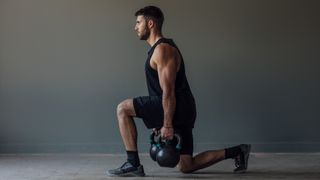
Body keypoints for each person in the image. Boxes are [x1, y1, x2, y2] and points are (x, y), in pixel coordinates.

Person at [107, 6, 251, 177]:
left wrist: (167, 123)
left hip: (177, 106)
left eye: (138, 22)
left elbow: (168, 92)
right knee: (186, 165)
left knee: (122, 109)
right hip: (183, 108)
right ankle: (237, 151)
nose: (135, 27)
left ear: (150, 23)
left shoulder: (163, 50)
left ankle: (133, 163)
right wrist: (158, 118)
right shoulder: (159, 49)